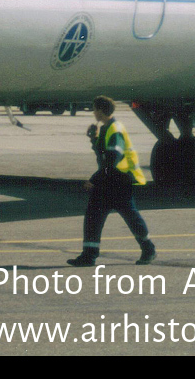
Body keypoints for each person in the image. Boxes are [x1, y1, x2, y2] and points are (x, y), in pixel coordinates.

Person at [67, 96, 156, 267]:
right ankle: (89, 255)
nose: (93, 112)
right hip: (109, 179)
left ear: (100, 110)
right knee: (94, 216)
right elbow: (103, 156)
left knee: (130, 217)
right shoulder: (107, 128)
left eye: (94, 109)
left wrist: (94, 180)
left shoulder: (115, 129)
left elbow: (112, 159)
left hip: (121, 181)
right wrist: (94, 140)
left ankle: (149, 249)